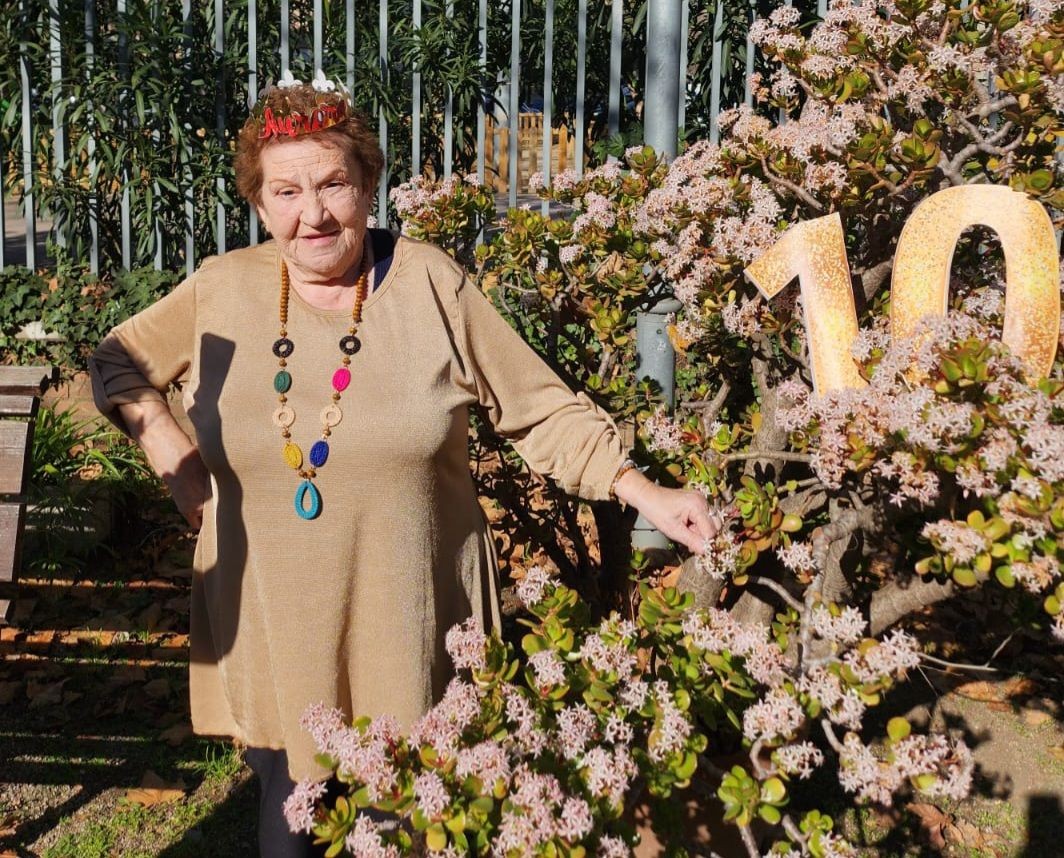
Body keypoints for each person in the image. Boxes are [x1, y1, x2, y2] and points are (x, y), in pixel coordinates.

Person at [90, 72, 720, 856]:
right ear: (258, 203)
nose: (313, 214)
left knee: (407, 829)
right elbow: (116, 361)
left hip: (408, 625)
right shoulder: (222, 291)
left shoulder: (428, 284)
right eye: (285, 193)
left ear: (368, 185)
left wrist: (644, 491)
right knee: (291, 830)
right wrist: (173, 453)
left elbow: (536, 406)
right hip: (276, 627)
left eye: (333, 185)